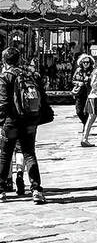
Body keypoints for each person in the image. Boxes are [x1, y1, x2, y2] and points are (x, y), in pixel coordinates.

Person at [0, 46, 49, 204]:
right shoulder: (30, 74)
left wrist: (3, 122)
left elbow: (3, 103)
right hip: (29, 121)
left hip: (11, 122)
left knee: (5, 155)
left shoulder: (5, 76)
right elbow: (42, 96)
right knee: (29, 153)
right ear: (19, 59)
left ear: (4, 60)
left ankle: (1, 191)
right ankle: (36, 190)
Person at [71, 54, 94, 128]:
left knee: (87, 112)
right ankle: (85, 123)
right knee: (79, 111)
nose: (86, 64)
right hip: (79, 94)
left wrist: (89, 80)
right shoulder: (78, 71)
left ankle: (86, 126)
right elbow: (73, 80)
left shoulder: (93, 71)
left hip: (88, 94)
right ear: (81, 63)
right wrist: (78, 83)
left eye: (87, 62)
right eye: (84, 62)